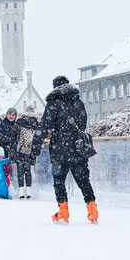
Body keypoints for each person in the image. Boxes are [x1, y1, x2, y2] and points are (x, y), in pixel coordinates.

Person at [40, 75, 98, 224]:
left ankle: (63, 211)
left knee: (59, 181)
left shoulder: (53, 103)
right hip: (78, 149)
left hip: (60, 149)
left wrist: (38, 145)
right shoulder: (78, 102)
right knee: (83, 180)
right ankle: (93, 211)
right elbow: (83, 123)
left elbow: (45, 126)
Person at [14, 106, 42, 199]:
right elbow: (38, 138)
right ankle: (28, 192)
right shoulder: (36, 124)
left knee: (20, 171)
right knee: (28, 170)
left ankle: (21, 191)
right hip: (30, 150)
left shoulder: (20, 122)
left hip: (20, 149)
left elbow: (15, 136)